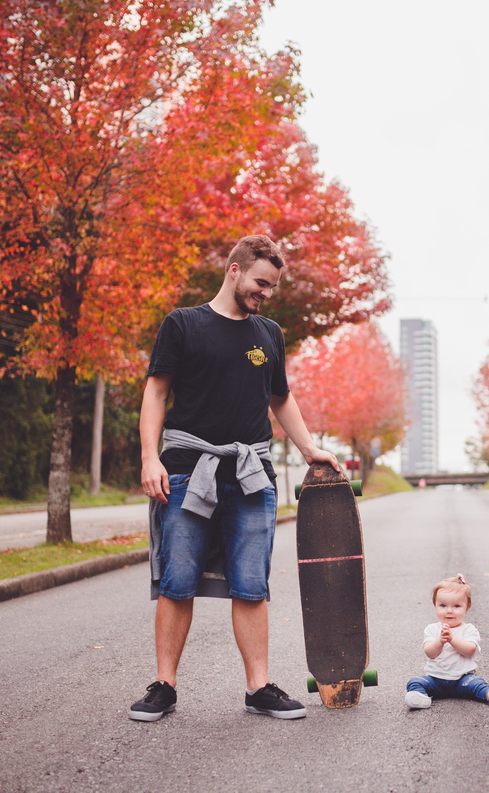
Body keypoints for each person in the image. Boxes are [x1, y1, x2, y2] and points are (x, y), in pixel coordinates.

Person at [130, 235, 340, 722]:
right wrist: (149, 457)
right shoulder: (183, 324)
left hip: (250, 477)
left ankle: (258, 687)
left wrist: (309, 449)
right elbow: (156, 392)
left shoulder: (268, 334)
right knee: (177, 582)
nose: (264, 293)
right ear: (234, 270)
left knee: (251, 584)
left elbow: (280, 398)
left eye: (271, 287)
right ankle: (164, 685)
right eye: (259, 283)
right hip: (186, 471)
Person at [405, 575, 489, 709]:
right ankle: (421, 698)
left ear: (467, 607)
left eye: (456, 606)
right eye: (443, 606)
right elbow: (430, 652)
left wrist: (451, 639)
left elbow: (470, 650)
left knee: (477, 684)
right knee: (415, 682)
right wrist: (440, 641)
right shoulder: (432, 629)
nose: (449, 611)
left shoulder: (469, 630)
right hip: (435, 680)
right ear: (435, 606)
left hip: (463, 680)